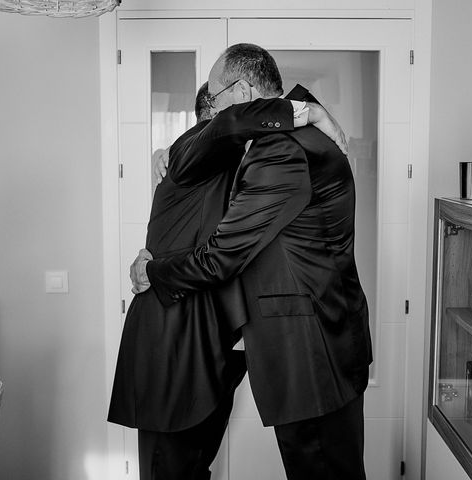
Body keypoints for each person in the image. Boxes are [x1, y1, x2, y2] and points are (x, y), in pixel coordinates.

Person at [135, 43, 373, 480]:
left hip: (309, 353)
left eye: (216, 96)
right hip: (324, 340)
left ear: (241, 92)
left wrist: (151, 271)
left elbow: (223, 257)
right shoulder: (292, 139)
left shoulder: (281, 151)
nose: (213, 111)